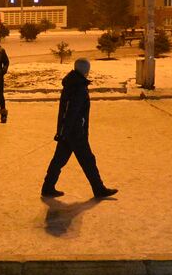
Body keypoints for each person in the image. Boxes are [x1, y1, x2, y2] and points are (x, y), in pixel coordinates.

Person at [41, 58, 117, 199]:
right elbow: (71, 112)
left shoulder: (73, 83)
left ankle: (48, 187)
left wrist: (63, 132)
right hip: (76, 133)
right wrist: (66, 132)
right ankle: (99, 189)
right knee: (88, 160)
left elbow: (66, 111)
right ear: (85, 70)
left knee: (59, 160)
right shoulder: (78, 87)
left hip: (69, 132)